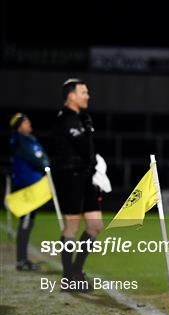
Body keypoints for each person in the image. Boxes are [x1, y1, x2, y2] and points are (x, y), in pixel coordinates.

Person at [51, 78, 103, 291]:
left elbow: (88, 151)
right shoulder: (65, 118)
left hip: (86, 177)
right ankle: (68, 277)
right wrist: (89, 131)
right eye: (84, 92)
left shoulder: (84, 118)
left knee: (95, 225)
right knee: (71, 226)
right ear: (71, 96)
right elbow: (82, 145)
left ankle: (76, 270)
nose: (87, 96)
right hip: (70, 177)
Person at [8, 113, 49, 271]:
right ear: (19, 126)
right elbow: (38, 159)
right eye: (26, 122)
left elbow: (41, 157)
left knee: (29, 222)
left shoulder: (28, 139)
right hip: (27, 188)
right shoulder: (19, 141)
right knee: (26, 222)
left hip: (34, 187)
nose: (30, 124)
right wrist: (45, 164)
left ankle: (23, 259)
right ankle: (21, 261)